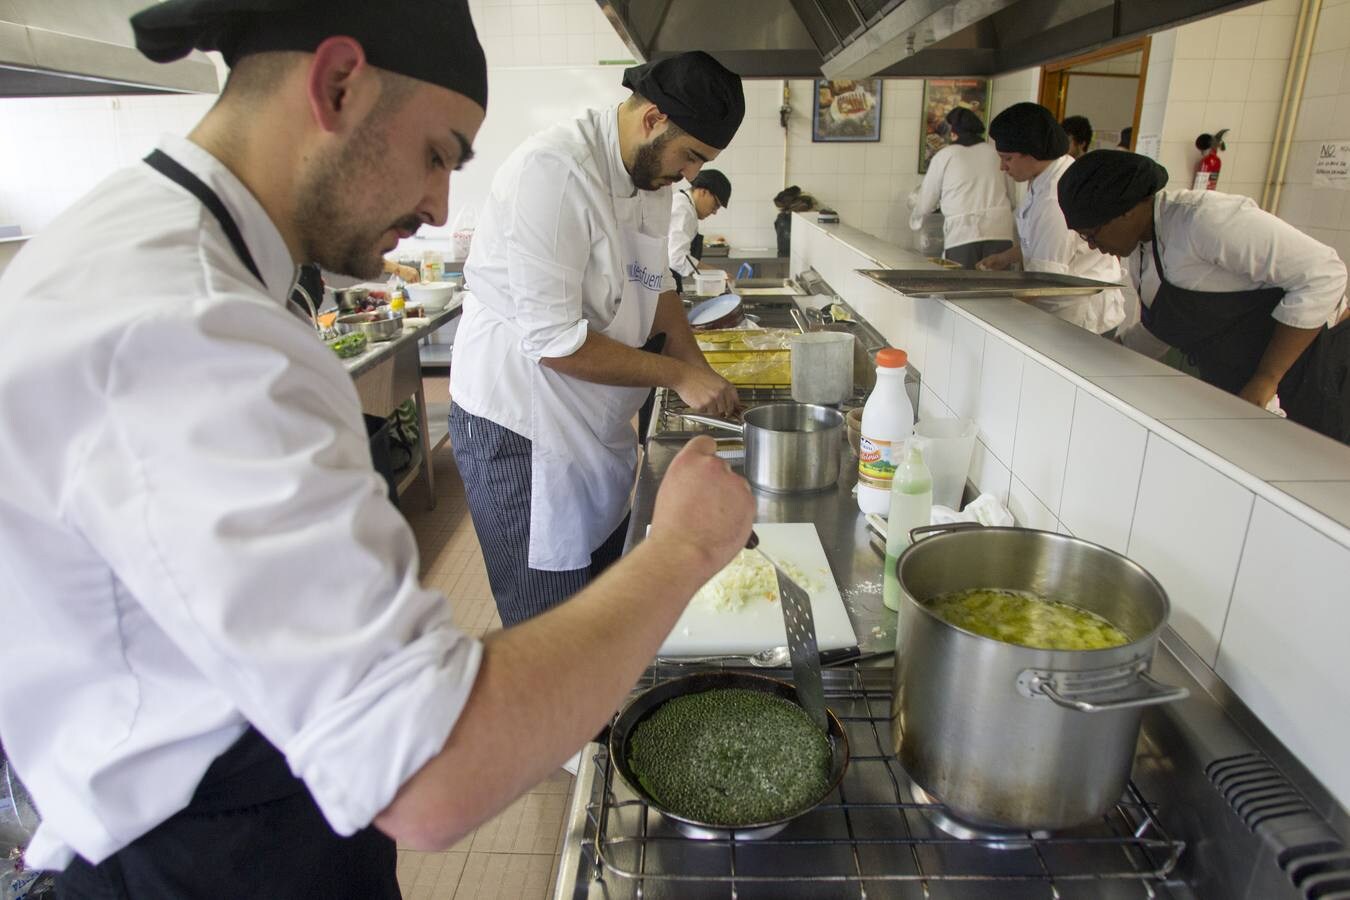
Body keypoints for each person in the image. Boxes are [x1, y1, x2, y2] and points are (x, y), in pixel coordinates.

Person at [0, 3, 755, 897]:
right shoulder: (194, 334)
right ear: (336, 84)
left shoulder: (176, 252)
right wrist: (683, 551)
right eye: (438, 153)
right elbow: (423, 772)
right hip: (204, 856)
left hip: (254, 783)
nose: (441, 204)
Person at [448, 52, 745, 628]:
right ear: (654, 118)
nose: (691, 176)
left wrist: (701, 367)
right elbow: (556, 343)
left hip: (592, 423)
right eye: (691, 158)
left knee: (600, 613)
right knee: (549, 631)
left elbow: (658, 291)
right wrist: (680, 376)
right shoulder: (556, 172)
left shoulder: (649, 179)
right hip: (523, 429)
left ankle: (598, 719)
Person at [1059, 150, 1350, 442]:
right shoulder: (1144, 245)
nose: (1093, 246)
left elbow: (1324, 273)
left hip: (1303, 379)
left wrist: (1266, 379)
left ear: (1126, 210)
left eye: (1092, 234)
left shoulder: (1205, 220)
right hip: (1234, 382)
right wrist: (1108, 355)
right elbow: (1166, 324)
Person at [978, 102, 1125, 336]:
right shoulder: (1045, 176)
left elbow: (1045, 282)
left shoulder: (1055, 198)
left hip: (1080, 319)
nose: (1002, 167)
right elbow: (1039, 239)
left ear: (1033, 152)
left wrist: (992, 307)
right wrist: (1005, 257)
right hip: (1062, 306)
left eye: (1007, 158)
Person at [908, 106, 1015, 268]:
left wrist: (915, 221)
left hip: (963, 234)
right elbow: (1012, 197)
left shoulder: (945, 156)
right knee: (996, 289)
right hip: (1000, 231)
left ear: (953, 130)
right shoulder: (996, 153)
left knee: (961, 287)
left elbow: (926, 200)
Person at [669, 168, 731, 292]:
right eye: (716, 205)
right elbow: (677, 258)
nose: (714, 212)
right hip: (663, 281)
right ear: (703, 191)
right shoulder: (683, 209)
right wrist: (716, 274)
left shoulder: (686, 205)